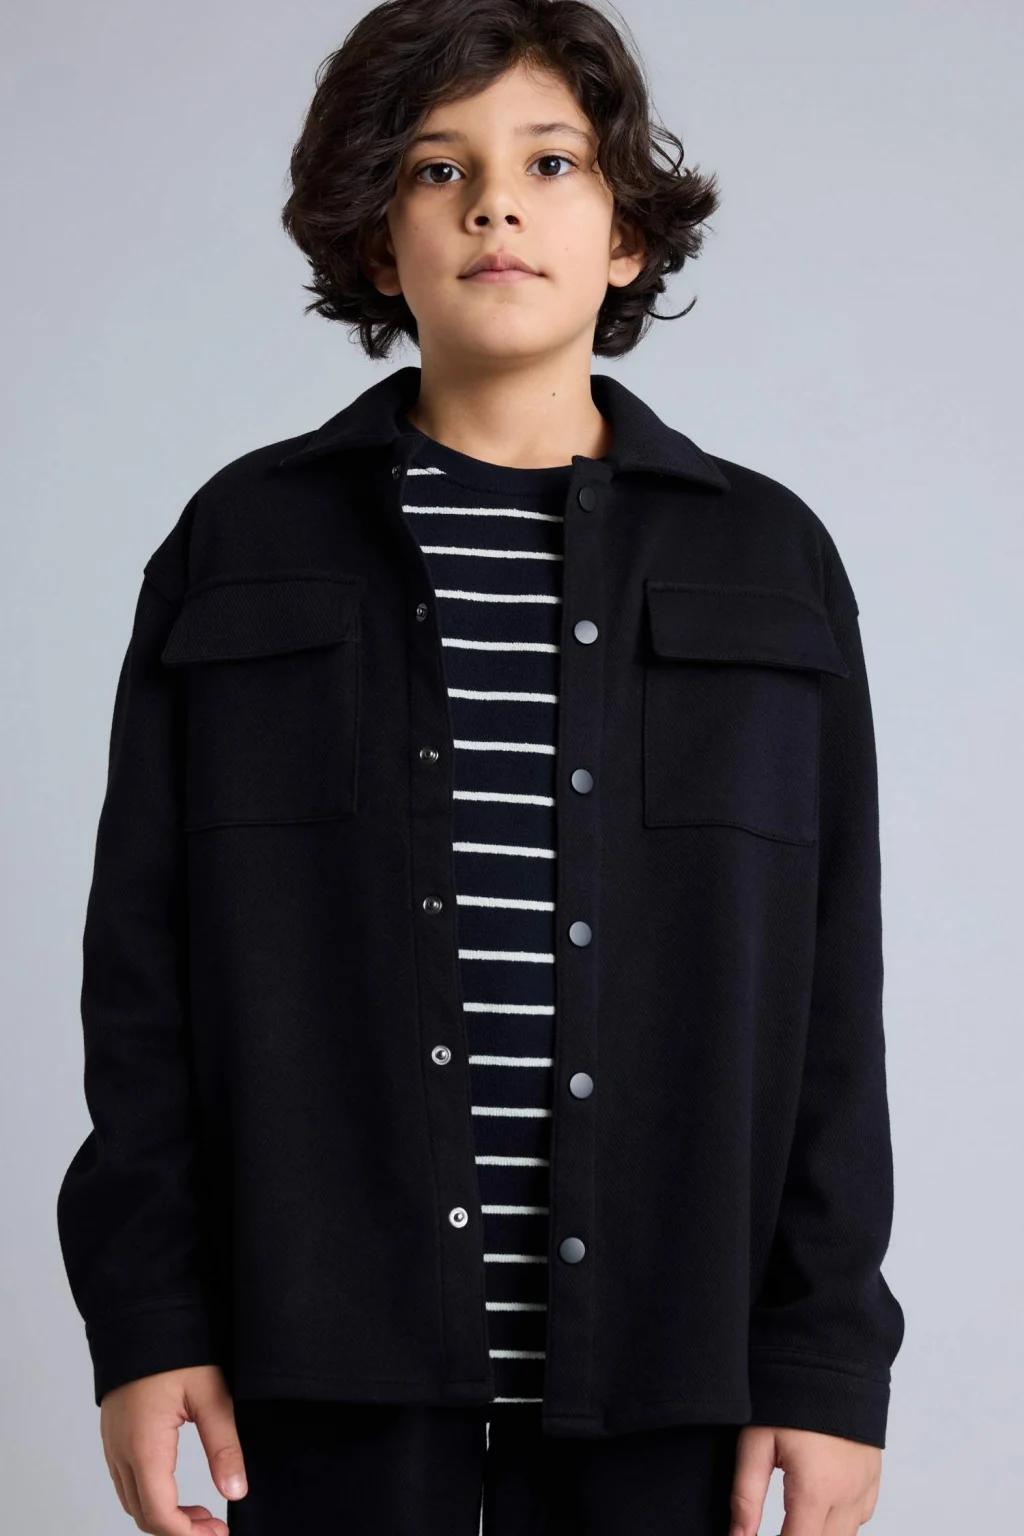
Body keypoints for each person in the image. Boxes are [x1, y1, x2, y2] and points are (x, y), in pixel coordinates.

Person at [56, 1, 905, 1533]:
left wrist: (827, 1357)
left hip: (676, 1367)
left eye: (551, 163)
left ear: (627, 236)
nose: (494, 205)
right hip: (321, 1359)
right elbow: (142, 978)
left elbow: (834, 993)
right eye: (437, 170)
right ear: (379, 246)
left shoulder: (769, 564)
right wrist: (149, 1317)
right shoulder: (240, 547)